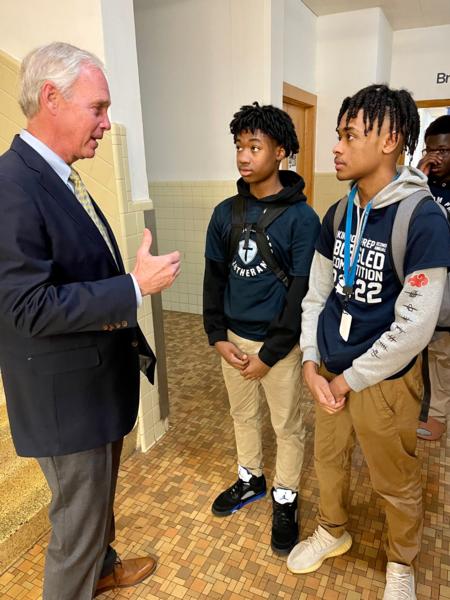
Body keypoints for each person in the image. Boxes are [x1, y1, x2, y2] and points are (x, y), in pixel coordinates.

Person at [0, 42, 180, 600]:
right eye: (98, 108)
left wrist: (119, 282)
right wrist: (130, 288)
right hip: (65, 403)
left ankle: (103, 568)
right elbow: (24, 307)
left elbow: (65, 275)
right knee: (74, 534)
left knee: (95, 509)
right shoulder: (12, 185)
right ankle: (84, 575)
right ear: (51, 98)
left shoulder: (59, 174)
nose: (106, 124)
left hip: (92, 386)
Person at [286, 85, 450, 599]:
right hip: (329, 371)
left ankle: (401, 562)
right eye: (338, 134)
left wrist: (350, 378)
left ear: (390, 139)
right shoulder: (336, 215)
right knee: (328, 463)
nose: (336, 147)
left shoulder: (422, 218)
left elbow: (415, 327)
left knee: (395, 479)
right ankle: (332, 530)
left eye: (349, 135)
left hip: (385, 381)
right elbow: (316, 295)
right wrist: (312, 362)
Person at [203, 102, 320, 555]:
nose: (244, 156)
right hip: (234, 341)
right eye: (239, 146)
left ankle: (286, 495)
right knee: (242, 415)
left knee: (287, 425)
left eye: (255, 146)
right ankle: (250, 478)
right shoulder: (225, 213)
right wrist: (217, 336)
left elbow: (302, 293)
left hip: (281, 347)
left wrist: (270, 353)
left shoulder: (302, 220)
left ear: (281, 152)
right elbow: (215, 277)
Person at [416, 115, 450, 441]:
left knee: (441, 353)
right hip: (419, 283)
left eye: (442, 151)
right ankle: (418, 406)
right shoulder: (421, 183)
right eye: (430, 149)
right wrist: (417, 178)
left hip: (447, 288)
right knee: (416, 347)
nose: (435, 157)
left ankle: (437, 416)